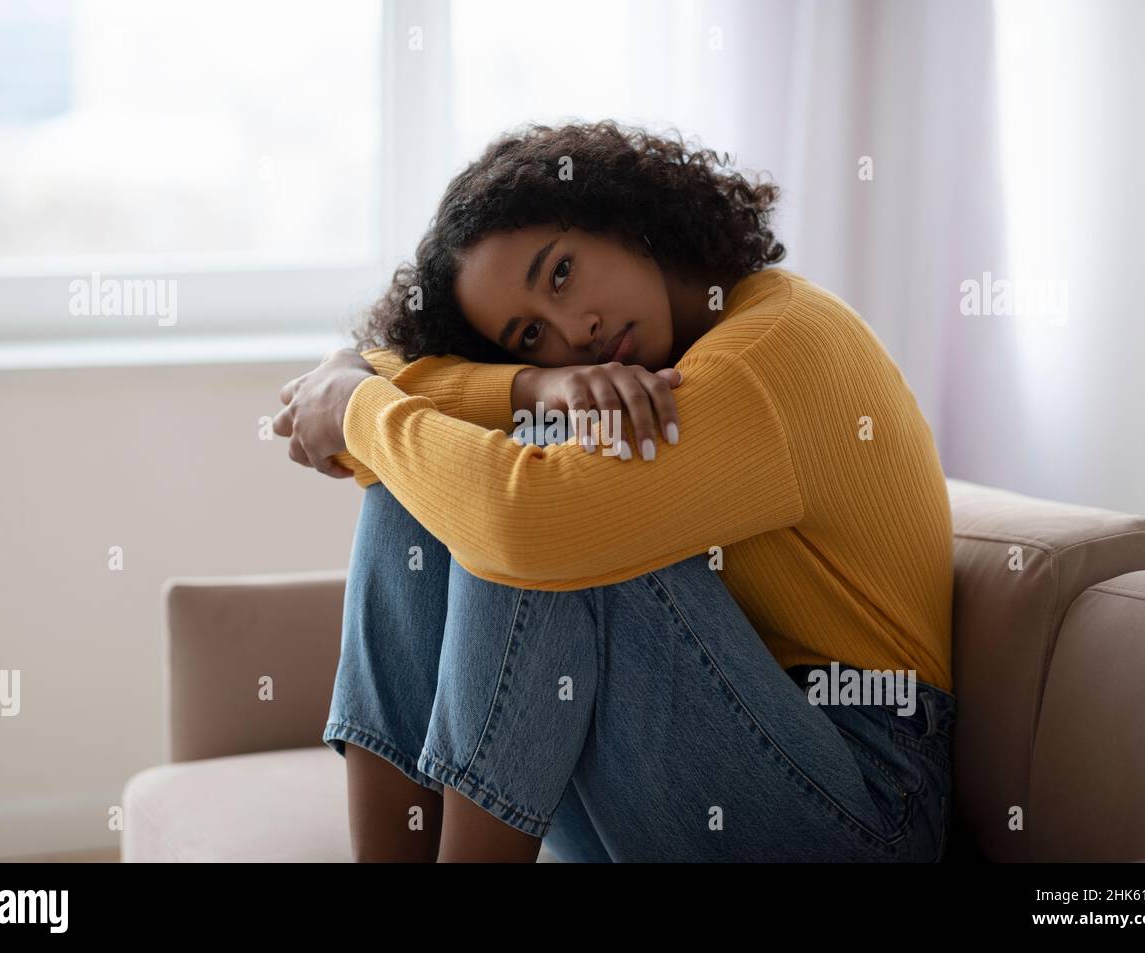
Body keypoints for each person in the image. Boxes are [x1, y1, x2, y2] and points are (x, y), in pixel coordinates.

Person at [273, 119, 956, 862]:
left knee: (535, 483)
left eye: (561, 272)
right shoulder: (625, 366)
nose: (578, 329)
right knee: (415, 483)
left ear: (624, 220)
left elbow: (529, 521)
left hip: (867, 795)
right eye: (531, 336)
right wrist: (536, 385)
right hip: (692, 758)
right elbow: (388, 396)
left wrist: (355, 404)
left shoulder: (773, 349)